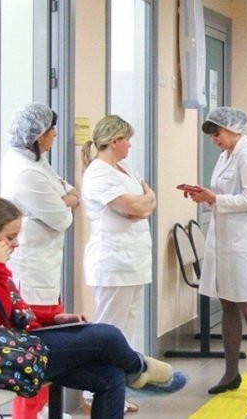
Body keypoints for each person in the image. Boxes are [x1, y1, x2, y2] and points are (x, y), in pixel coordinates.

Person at [0, 197, 187, 419]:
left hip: (23, 347)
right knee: (108, 336)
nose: (16, 244)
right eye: (10, 237)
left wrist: (54, 318)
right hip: (1, 359)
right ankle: (141, 371)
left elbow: (14, 311)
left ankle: (135, 373)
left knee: (111, 377)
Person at [186, 106, 247, 407]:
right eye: (212, 135)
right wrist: (206, 196)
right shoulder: (227, 155)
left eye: (218, 133)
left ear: (234, 129)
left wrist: (216, 198)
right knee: (227, 304)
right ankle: (231, 373)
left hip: (245, 241)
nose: (215, 139)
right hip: (225, 239)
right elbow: (223, 195)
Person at [1, 103, 79, 419]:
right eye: (50, 130)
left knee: (44, 352)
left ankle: (40, 411)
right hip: (30, 276)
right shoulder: (25, 172)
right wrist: (64, 203)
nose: (55, 135)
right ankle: (27, 415)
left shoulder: (38, 163)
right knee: (31, 354)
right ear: (36, 136)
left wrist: (63, 200)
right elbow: (62, 218)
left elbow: (71, 192)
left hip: (45, 271)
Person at [80, 115, 156, 413]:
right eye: (127, 140)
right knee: (108, 331)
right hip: (113, 263)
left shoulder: (124, 169)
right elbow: (136, 205)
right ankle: (93, 393)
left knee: (125, 332)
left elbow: (147, 203)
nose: (130, 146)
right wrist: (144, 202)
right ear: (114, 141)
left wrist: (145, 202)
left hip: (133, 262)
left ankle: (115, 391)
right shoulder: (98, 174)